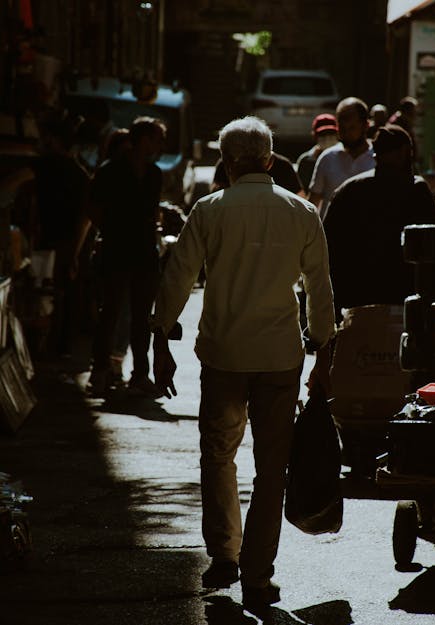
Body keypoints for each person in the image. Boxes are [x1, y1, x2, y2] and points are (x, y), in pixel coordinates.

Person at [152, 116, 335, 616]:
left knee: (218, 455)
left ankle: (224, 554)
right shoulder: (300, 212)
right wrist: (321, 342)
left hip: (225, 355)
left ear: (226, 163)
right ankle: (258, 573)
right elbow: (320, 288)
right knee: (271, 467)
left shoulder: (209, 210)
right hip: (279, 357)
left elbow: (177, 277)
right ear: (270, 161)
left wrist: (160, 339)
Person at [83, 116, 166, 396]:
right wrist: (111, 229)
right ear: (142, 139)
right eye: (156, 138)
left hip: (144, 252)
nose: (159, 145)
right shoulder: (111, 171)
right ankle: (100, 371)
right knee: (111, 313)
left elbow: (154, 212)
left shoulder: (155, 174)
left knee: (143, 318)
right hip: (117, 250)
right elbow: (93, 208)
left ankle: (140, 375)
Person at [322, 124, 435, 319]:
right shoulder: (416, 190)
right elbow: (430, 251)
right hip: (402, 303)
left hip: (355, 303)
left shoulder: (348, 190)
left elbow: (327, 246)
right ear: (403, 153)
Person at [33, 111, 90, 357]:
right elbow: (85, 217)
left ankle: (49, 345)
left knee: (51, 294)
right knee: (59, 295)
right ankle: (55, 346)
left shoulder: (46, 166)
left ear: (54, 140)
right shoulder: (79, 173)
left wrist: (74, 251)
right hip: (64, 241)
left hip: (53, 241)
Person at [308, 97, 375, 219]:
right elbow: (313, 203)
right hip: (330, 236)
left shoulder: (378, 159)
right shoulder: (327, 158)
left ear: (365, 126)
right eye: (342, 128)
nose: (346, 134)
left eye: (352, 128)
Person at [211, 150, 304, 196]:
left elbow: (214, 192)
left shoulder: (203, 209)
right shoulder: (284, 165)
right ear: (269, 163)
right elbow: (300, 196)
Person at [296, 112, 338, 190]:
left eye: (331, 134)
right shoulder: (305, 161)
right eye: (323, 135)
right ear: (315, 137)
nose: (327, 138)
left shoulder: (345, 157)